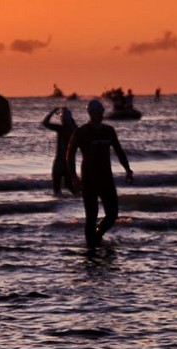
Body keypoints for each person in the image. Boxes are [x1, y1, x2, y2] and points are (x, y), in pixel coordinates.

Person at [65, 99, 133, 247]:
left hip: (106, 178)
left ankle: (97, 236)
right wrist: (74, 177)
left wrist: (128, 169)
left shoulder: (109, 131)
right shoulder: (81, 132)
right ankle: (91, 247)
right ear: (90, 114)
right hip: (89, 179)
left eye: (100, 112)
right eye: (95, 112)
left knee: (112, 214)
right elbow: (69, 155)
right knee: (91, 216)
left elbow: (119, 151)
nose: (98, 115)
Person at [40, 107, 79, 196]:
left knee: (66, 185)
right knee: (61, 186)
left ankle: (78, 199)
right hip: (64, 161)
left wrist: (53, 112)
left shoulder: (69, 130)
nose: (63, 121)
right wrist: (53, 112)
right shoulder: (70, 129)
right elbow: (45, 123)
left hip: (64, 162)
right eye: (62, 120)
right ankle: (78, 198)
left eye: (64, 119)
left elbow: (45, 123)